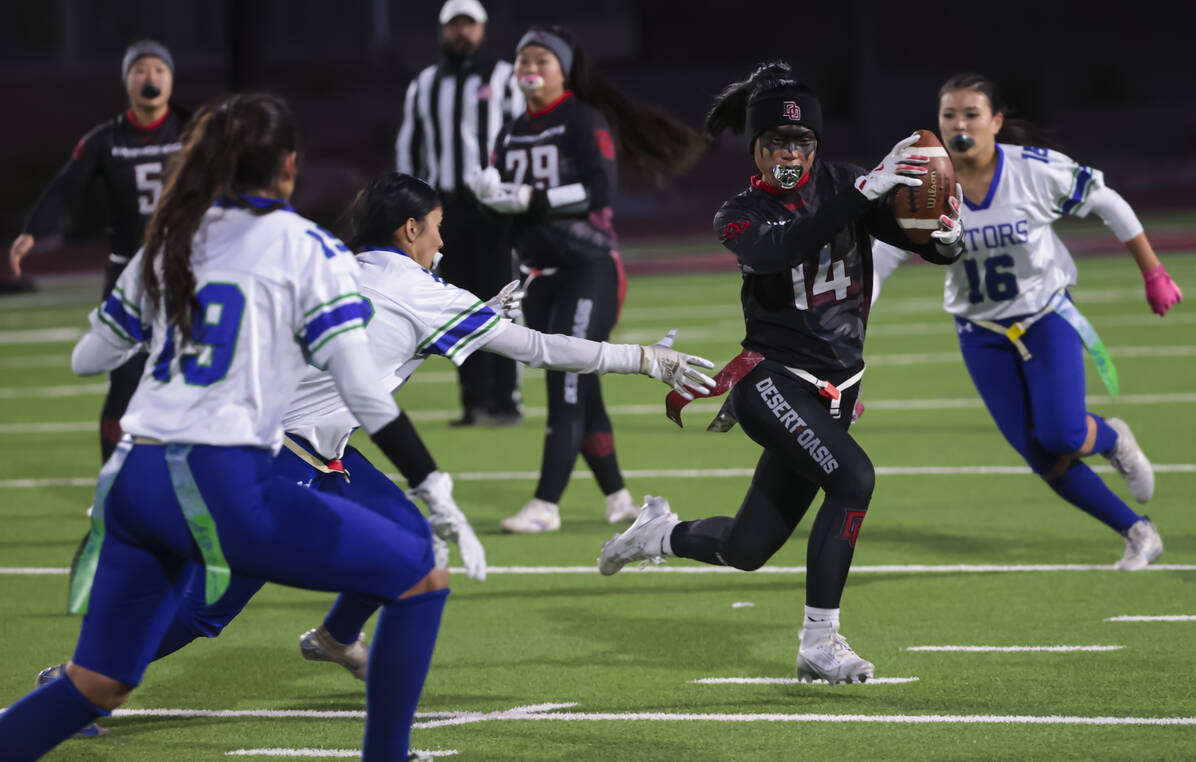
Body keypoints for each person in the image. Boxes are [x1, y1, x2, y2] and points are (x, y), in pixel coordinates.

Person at [31, 171, 716, 738]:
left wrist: (473, 312)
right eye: (437, 227)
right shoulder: (415, 289)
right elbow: (540, 349)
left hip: (308, 452)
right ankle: (74, 680)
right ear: (410, 229)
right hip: (275, 464)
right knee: (206, 608)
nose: (443, 239)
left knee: (410, 545)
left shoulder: (341, 266)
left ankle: (334, 638)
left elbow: (381, 343)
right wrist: (643, 357)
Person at [0, 93, 451, 762]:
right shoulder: (307, 247)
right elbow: (360, 386)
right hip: (218, 480)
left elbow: (87, 357)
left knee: (95, 684)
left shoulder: (169, 237)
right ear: (290, 165)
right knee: (420, 575)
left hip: (131, 479)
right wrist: (428, 476)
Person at [596, 62, 965, 685]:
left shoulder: (846, 185)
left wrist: (946, 237)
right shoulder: (739, 211)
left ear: (816, 146)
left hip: (839, 389)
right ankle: (820, 642)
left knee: (747, 548)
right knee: (854, 479)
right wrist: (863, 190)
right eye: (777, 143)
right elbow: (778, 248)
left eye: (802, 143)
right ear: (756, 147)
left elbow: (920, 239)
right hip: (772, 381)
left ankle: (657, 534)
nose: (790, 154)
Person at [870, 72, 1181, 570]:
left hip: (1044, 314)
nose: (959, 123)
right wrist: (853, 337)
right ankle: (1137, 531)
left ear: (996, 121)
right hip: (980, 331)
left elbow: (1108, 201)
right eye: (949, 114)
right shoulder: (926, 182)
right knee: (1041, 456)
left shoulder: (1033, 170)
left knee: (1061, 433)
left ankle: (1112, 438)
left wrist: (1154, 272)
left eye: (971, 113)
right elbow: (881, 259)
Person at [468, 24, 708, 533]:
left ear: (562, 69)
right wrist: (488, 197)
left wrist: (532, 199)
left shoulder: (582, 118)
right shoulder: (511, 130)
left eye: (541, 61)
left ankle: (546, 503)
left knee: (566, 377)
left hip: (589, 268)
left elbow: (599, 191)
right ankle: (619, 497)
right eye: (523, 61)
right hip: (540, 275)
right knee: (583, 383)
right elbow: (508, 206)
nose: (530, 70)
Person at [9, 40, 189, 463]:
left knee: (193, 380)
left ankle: (186, 487)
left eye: (159, 70)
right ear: (127, 80)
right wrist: (33, 231)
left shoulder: (192, 130)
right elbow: (67, 186)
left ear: (171, 79)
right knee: (124, 382)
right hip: (127, 276)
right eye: (141, 69)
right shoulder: (105, 139)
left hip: (184, 273)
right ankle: (113, 482)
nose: (151, 77)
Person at [396, 0, 525, 427]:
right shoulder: (425, 83)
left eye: (468, 24)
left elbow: (523, 139)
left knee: (500, 299)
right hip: (444, 208)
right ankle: (473, 402)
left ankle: (505, 400)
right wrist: (409, 204)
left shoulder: (506, 79)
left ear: (483, 28)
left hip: (494, 207)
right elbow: (409, 148)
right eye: (454, 25)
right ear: (443, 31)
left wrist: (516, 192)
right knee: (456, 303)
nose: (461, 33)